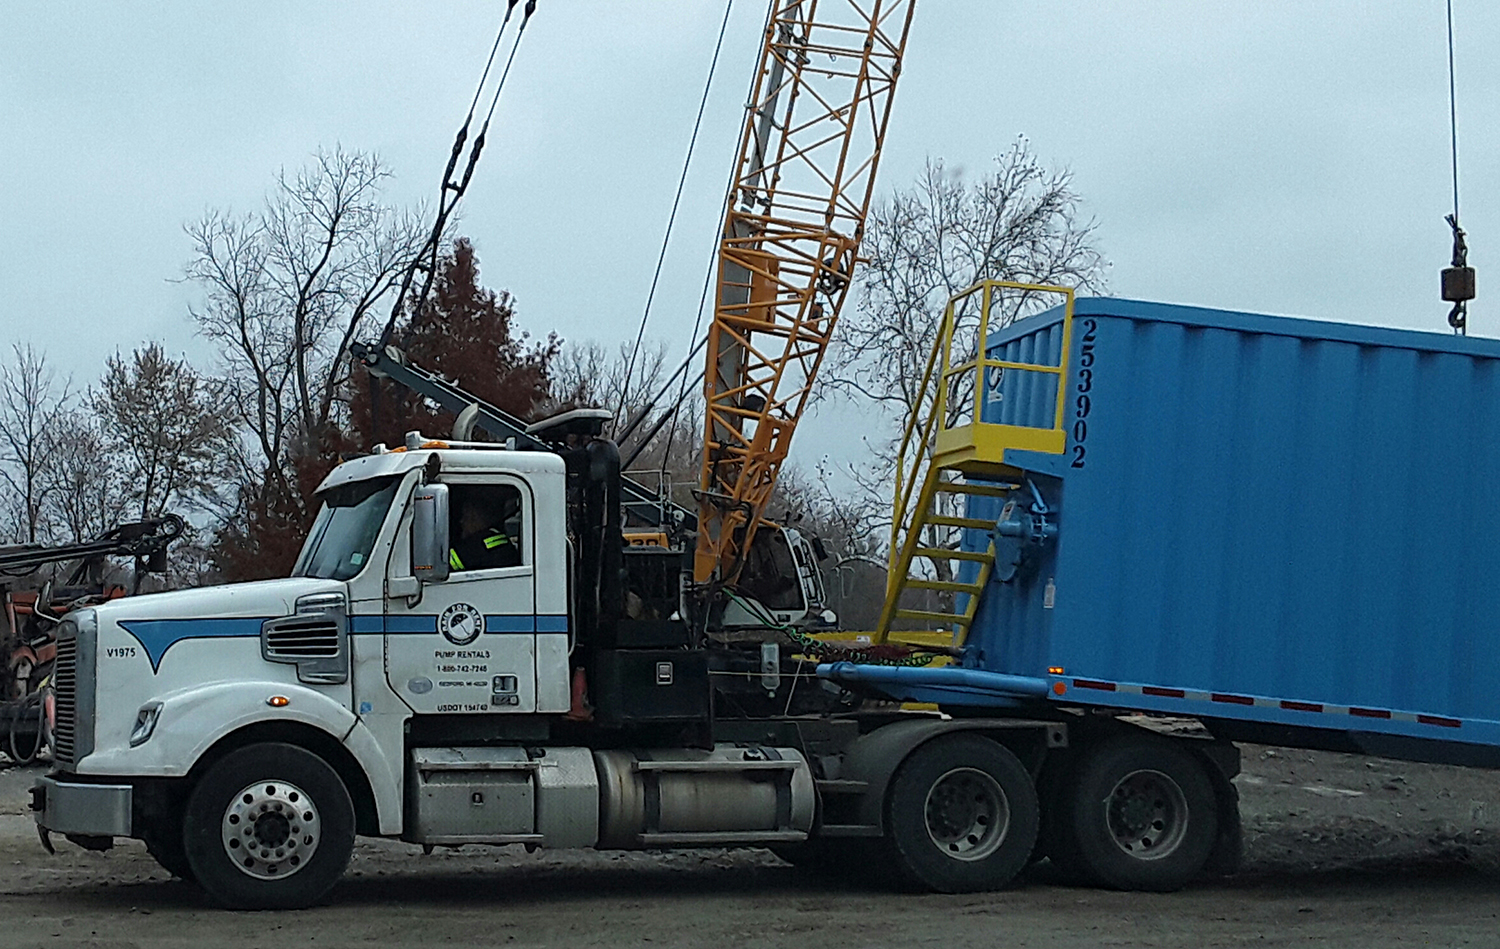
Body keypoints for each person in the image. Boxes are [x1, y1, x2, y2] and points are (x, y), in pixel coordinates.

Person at [448, 490, 521, 571]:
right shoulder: (498, 539)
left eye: (466, 517)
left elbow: (444, 563)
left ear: (476, 518)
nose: (461, 521)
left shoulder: (478, 547)